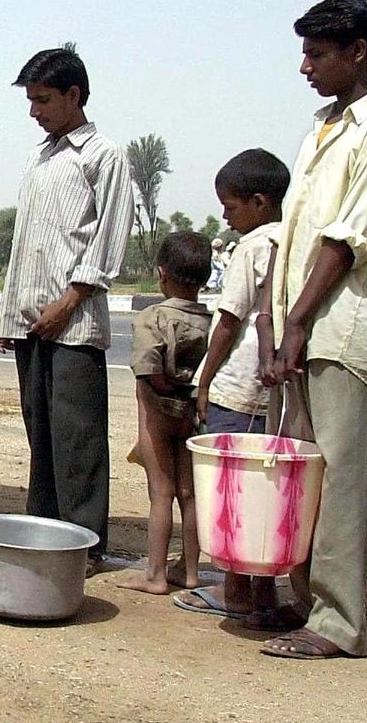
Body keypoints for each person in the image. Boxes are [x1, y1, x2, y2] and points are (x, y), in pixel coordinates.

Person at [257, 0, 367, 661]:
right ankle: (307, 598)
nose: (304, 67)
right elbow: (296, 234)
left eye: (316, 54)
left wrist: (294, 320)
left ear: (358, 52)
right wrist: (277, 319)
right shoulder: (323, 125)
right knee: (306, 475)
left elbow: (347, 239)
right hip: (303, 327)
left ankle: (340, 620)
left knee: (344, 477)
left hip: (341, 328)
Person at [0, 46, 135, 572]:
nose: (35, 110)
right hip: (30, 322)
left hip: (74, 323)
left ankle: (85, 543)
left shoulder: (103, 155)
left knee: (78, 439)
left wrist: (69, 300)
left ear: (74, 95)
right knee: (41, 436)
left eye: (43, 100)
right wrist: (10, 313)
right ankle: (44, 533)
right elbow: (24, 240)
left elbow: (109, 240)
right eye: (30, 100)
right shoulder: (39, 157)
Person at [174, 148, 300, 630]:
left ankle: (234, 593)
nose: (225, 216)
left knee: (230, 497)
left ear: (259, 202)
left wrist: (204, 380)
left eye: (230, 206)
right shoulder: (292, 240)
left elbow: (228, 321)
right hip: (271, 395)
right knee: (263, 499)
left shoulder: (251, 248)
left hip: (236, 385)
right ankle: (263, 593)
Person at [119, 232, 212, 595]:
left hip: (157, 412)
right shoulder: (211, 320)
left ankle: (155, 573)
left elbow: (148, 369)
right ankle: (189, 571)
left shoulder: (152, 318)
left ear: (162, 275)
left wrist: (163, 391)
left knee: (161, 492)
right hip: (192, 414)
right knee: (189, 493)